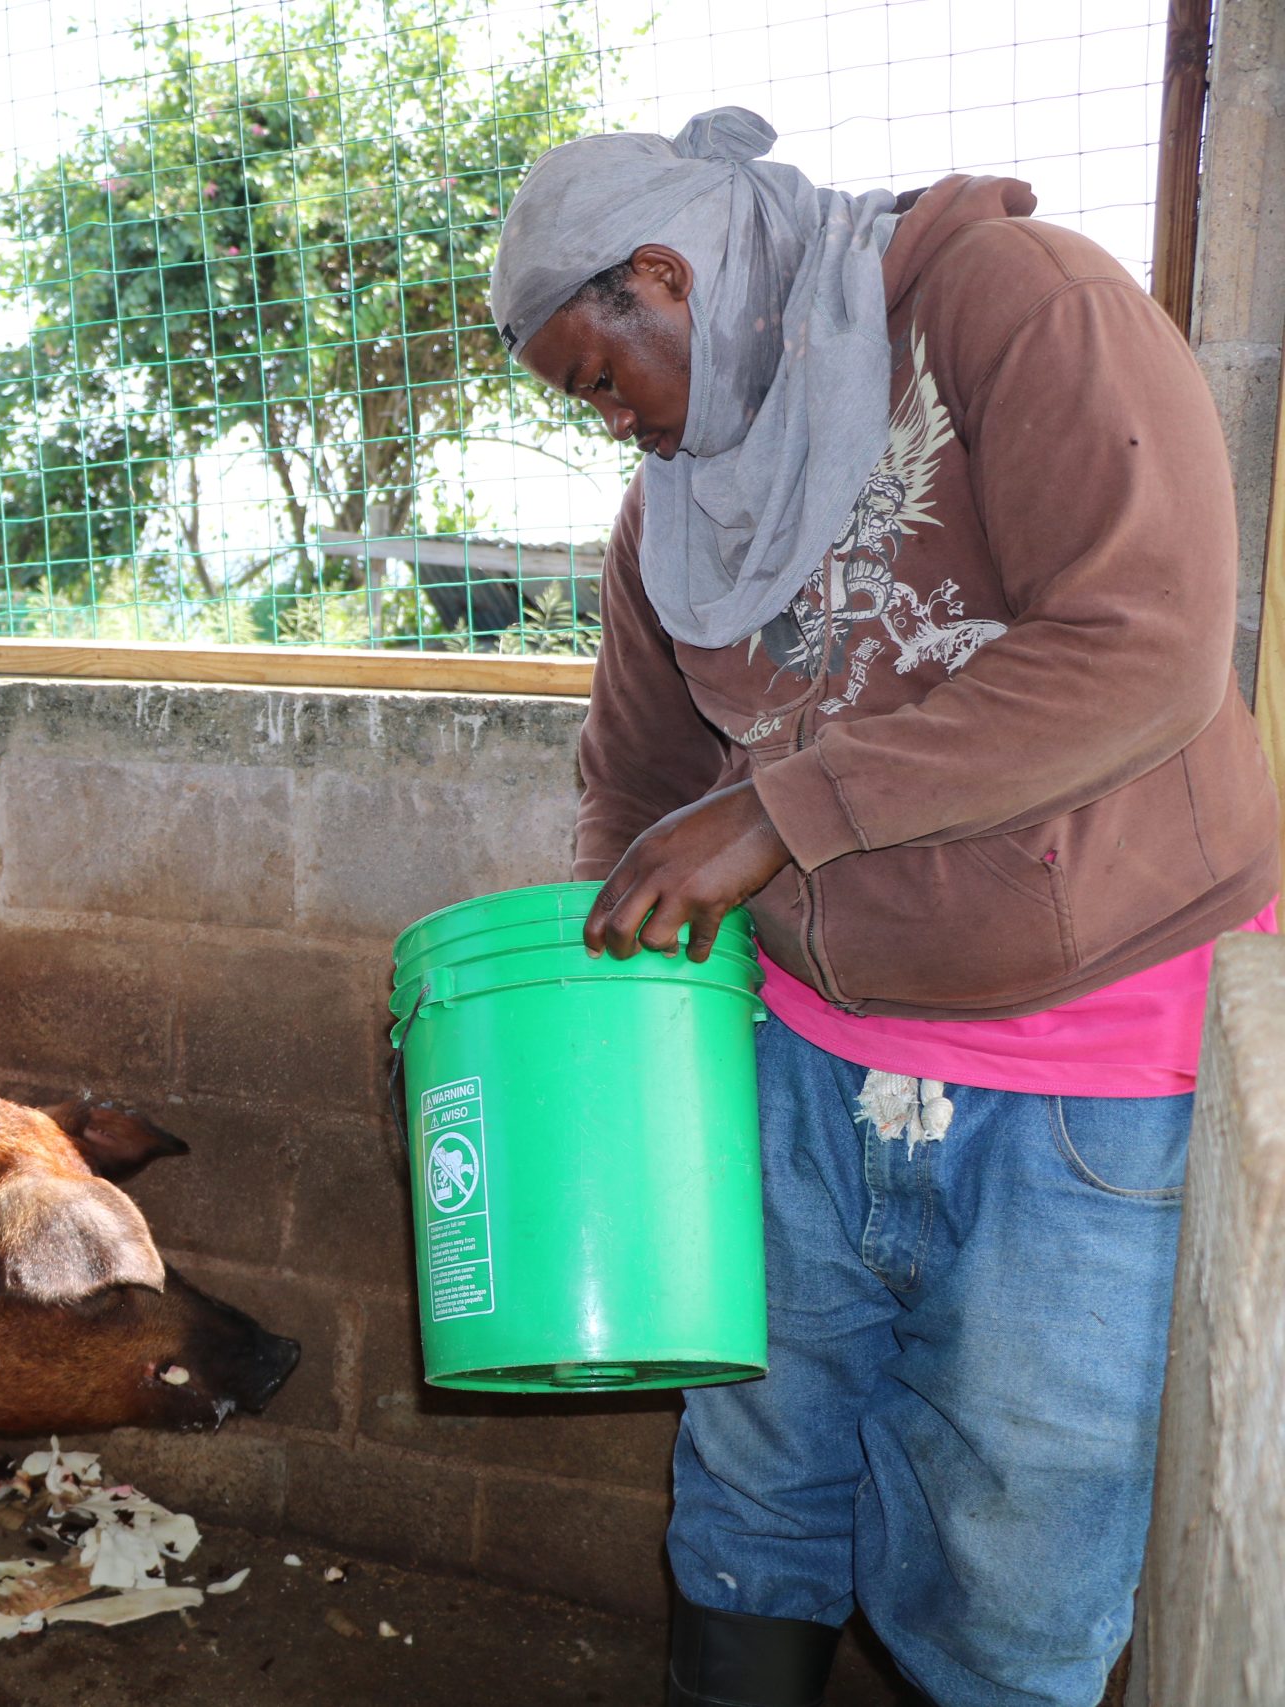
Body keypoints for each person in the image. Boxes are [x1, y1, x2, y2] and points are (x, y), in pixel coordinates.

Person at [486, 108, 1280, 1707]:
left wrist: (783, 810)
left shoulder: (1015, 303)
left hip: (1085, 1081)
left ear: (667, 276)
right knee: (751, 1483)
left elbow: (1147, 644)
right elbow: (635, 792)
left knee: (1018, 1553)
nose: (614, 427)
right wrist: (610, 1051)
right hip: (801, 1064)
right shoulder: (678, 511)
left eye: (600, 378)